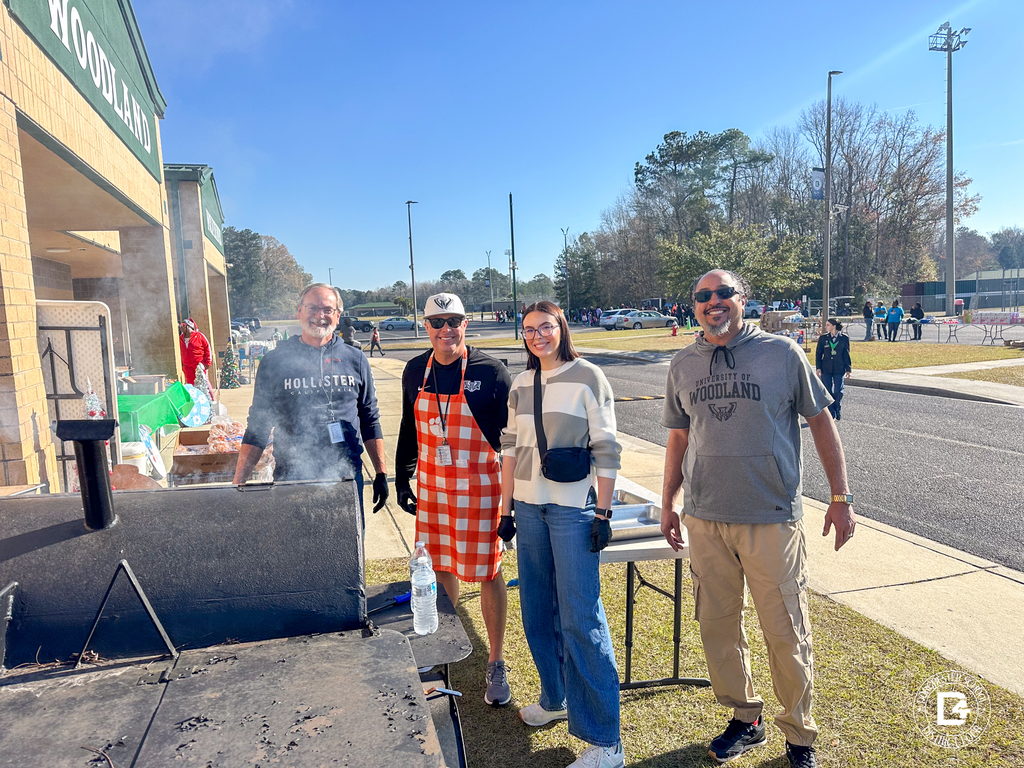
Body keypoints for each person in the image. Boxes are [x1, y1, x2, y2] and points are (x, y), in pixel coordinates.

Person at [660, 270, 856, 768]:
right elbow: (679, 440)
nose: (713, 302)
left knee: (786, 631)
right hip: (705, 518)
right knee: (717, 627)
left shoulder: (782, 353)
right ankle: (746, 718)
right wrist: (668, 502)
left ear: (742, 299)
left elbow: (820, 421)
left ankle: (799, 736)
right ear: (694, 306)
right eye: (702, 295)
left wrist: (840, 495)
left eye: (723, 293)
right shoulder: (683, 364)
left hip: (770, 516)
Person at [499, 300, 624, 768]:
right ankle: (556, 699)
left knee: (580, 616)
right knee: (536, 609)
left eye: (545, 327)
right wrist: (506, 508)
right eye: (529, 330)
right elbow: (509, 448)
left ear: (560, 328)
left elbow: (607, 447)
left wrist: (604, 513)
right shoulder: (520, 384)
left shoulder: (588, 376)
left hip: (574, 510)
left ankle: (606, 741)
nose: (537, 336)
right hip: (529, 509)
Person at [394, 293, 514, 707]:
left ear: (466, 324)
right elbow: (409, 429)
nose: (447, 329)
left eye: (455, 321)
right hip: (433, 489)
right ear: (425, 326)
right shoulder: (415, 371)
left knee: (486, 572)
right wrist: (401, 478)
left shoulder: (492, 372)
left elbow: (513, 443)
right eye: (437, 322)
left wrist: (511, 504)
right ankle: (440, 652)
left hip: (481, 491)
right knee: (439, 568)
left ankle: (495, 661)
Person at [233, 284, 389, 520]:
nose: (320, 316)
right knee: (296, 552)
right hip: (292, 476)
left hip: (345, 475)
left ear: (337, 315)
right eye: (312, 308)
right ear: (299, 311)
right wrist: (239, 480)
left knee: (346, 552)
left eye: (327, 309)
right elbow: (258, 425)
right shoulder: (274, 361)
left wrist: (381, 473)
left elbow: (369, 418)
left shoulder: (355, 359)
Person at [815, 319, 852, 421]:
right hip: (826, 368)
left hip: (839, 368)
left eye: (828, 325)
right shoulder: (823, 338)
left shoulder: (844, 338)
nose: (826, 327)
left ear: (834, 326)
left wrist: (848, 369)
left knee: (838, 390)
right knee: (827, 390)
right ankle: (831, 411)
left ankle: (837, 407)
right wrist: (818, 367)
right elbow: (818, 354)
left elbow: (846, 354)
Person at [178, 318, 212, 392]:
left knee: (204, 382)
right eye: (181, 326)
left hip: (199, 364)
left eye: (183, 326)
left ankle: (211, 399)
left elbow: (207, 348)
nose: (181, 327)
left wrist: (208, 362)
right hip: (187, 366)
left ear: (189, 327)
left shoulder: (199, 336)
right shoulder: (180, 338)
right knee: (191, 384)